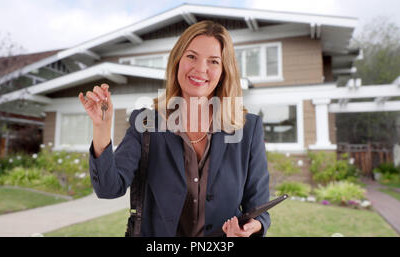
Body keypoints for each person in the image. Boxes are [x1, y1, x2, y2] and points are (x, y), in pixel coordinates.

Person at [78, 20, 270, 237]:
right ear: (177, 60)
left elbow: (259, 205)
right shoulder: (146, 123)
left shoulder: (248, 128)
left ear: (225, 70)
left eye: (214, 61)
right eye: (191, 56)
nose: (200, 69)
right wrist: (101, 127)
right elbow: (108, 189)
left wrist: (255, 226)